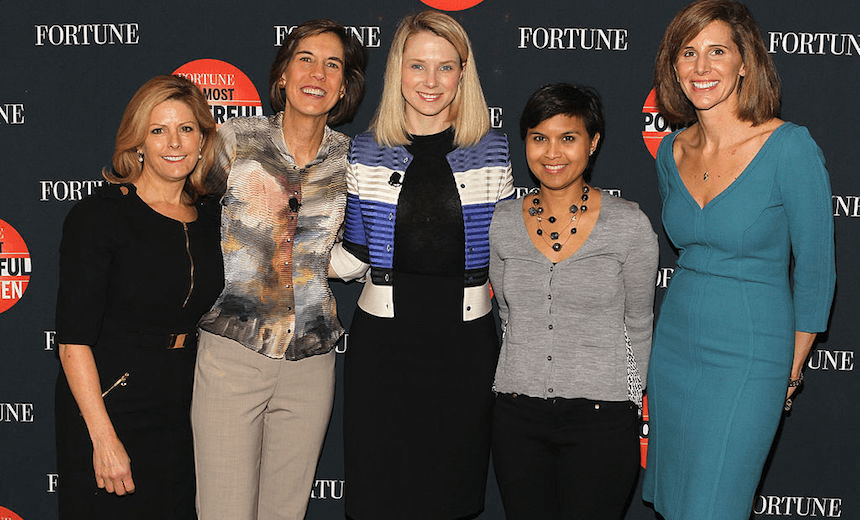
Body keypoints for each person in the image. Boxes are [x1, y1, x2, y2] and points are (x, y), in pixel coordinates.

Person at [641, 1, 836, 519]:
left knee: (714, 506)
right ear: (674, 66)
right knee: (678, 501)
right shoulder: (672, 151)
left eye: (717, 51)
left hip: (752, 354)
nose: (702, 68)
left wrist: (790, 371)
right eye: (689, 53)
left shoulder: (789, 147)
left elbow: (816, 275)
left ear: (745, 62)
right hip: (677, 344)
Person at [329, 10, 514, 520]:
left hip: (465, 344)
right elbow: (356, 255)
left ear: (463, 72)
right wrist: (286, 260)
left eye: (445, 67)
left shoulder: (493, 149)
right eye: (417, 66)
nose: (430, 82)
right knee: (379, 490)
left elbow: (505, 254)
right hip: (383, 346)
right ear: (398, 71)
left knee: (450, 491)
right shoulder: (364, 150)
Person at [191, 19, 366, 520]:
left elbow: (345, 246)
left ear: (344, 86)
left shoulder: (351, 160)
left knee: (285, 513)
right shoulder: (235, 140)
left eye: (333, 64)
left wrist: (342, 265)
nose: (318, 73)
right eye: (305, 59)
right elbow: (183, 210)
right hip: (233, 355)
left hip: (311, 363)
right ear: (283, 75)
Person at [54, 74, 223, 519]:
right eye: (158, 129)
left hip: (185, 408)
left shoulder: (212, 220)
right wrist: (103, 438)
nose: (174, 142)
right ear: (137, 143)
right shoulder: (100, 217)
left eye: (186, 129)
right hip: (111, 403)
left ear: (204, 140)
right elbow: (73, 341)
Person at [488, 83, 658, 520]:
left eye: (568, 137)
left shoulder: (628, 224)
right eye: (539, 137)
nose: (552, 152)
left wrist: (629, 401)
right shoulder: (503, 221)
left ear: (593, 142)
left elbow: (639, 323)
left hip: (602, 419)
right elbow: (507, 316)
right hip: (516, 414)